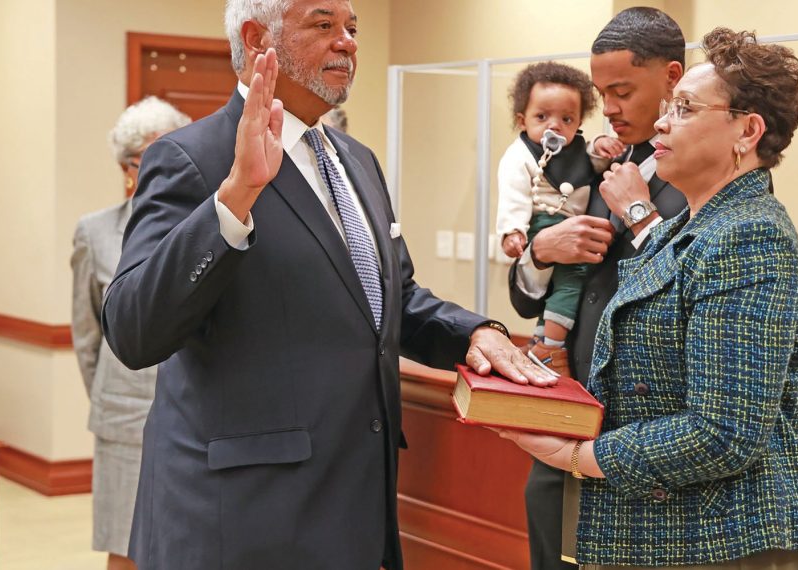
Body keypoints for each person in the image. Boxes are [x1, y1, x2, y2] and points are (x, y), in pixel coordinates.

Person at [99, 1, 553, 568]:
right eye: (323, 25)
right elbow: (134, 329)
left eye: (353, 27)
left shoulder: (355, 161)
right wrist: (237, 195)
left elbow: (391, 299)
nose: (348, 43)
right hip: (240, 523)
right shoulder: (192, 158)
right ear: (255, 36)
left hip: (353, 507)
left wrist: (473, 333)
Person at [500, 27, 798, 568]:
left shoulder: (748, 234)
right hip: (676, 525)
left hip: (735, 538)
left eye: (682, 107)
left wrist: (580, 455)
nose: (661, 120)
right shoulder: (694, 224)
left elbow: (722, 433)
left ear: (747, 131)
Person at [507, 8, 688, 569]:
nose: (606, 109)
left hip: (643, 432)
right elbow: (526, 295)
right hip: (570, 409)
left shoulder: (705, 169)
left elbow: (692, 285)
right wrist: (543, 250)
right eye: (602, 93)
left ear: (673, 79)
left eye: (621, 91)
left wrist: (638, 213)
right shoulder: (601, 158)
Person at [70, 96, 191, 570]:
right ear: (128, 168)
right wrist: (107, 396)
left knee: (185, 542)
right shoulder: (95, 232)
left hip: (193, 414)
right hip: (124, 418)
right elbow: (87, 336)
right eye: (149, 161)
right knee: (125, 546)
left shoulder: (206, 225)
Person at [495, 61, 621, 376]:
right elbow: (514, 193)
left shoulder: (576, 147)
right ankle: (552, 348)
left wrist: (602, 149)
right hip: (543, 224)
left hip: (572, 225)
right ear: (521, 120)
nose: (555, 126)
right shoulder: (519, 155)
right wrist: (512, 230)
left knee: (558, 289)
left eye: (567, 119)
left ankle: (542, 338)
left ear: (579, 121)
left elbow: (592, 163)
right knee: (571, 281)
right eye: (542, 117)